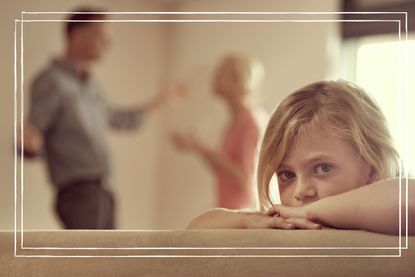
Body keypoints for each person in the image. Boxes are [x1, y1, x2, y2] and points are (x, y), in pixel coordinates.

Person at [22, 8, 185, 229]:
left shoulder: (91, 87)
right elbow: (32, 137)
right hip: (79, 193)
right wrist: (28, 146)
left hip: (104, 192)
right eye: (100, 35)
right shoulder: (51, 81)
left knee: (108, 262)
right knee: (89, 263)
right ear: (78, 35)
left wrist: (162, 101)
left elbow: (119, 119)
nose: (107, 43)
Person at [188, 80, 415, 235]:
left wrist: (309, 211)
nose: (300, 191)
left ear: (373, 168)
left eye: (322, 168)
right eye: (287, 175)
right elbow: (196, 230)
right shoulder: (287, 223)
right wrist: (247, 220)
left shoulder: (387, 218)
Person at [171, 53, 266, 209]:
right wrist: (197, 147)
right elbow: (223, 170)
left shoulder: (251, 122)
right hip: (230, 209)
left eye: (221, 73)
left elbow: (245, 177)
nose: (214, 78)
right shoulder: (236, 120)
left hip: (242, 213)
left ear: (238, 81)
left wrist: (204, 149)